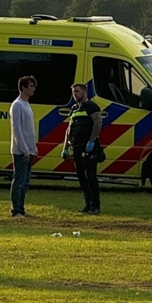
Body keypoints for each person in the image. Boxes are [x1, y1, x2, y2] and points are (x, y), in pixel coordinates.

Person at [63, 83, 103, 214]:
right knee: (81, 176)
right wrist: (65, 147)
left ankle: (95, 206)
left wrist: (92, 140)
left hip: (89, 148)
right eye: (73, 92)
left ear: (84, 92)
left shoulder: (91, 106)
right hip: (77, 147)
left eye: (77, 91)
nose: (75, 94)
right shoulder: (74, 109)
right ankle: (88, 204)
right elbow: (69, 128)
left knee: (91, 176)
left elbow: (98, 123)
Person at [9, 76, 38, 218]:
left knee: (25, 181)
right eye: (31, 86)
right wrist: (24, 149)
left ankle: (21, 207)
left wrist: (33, 147)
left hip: (29, 149)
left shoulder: (27, 104)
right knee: (19, 180)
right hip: (21, 151)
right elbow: (17, 129)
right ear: (23, 87)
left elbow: (29, 129)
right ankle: (16, 210)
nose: (33, 88)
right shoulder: (17, 105)